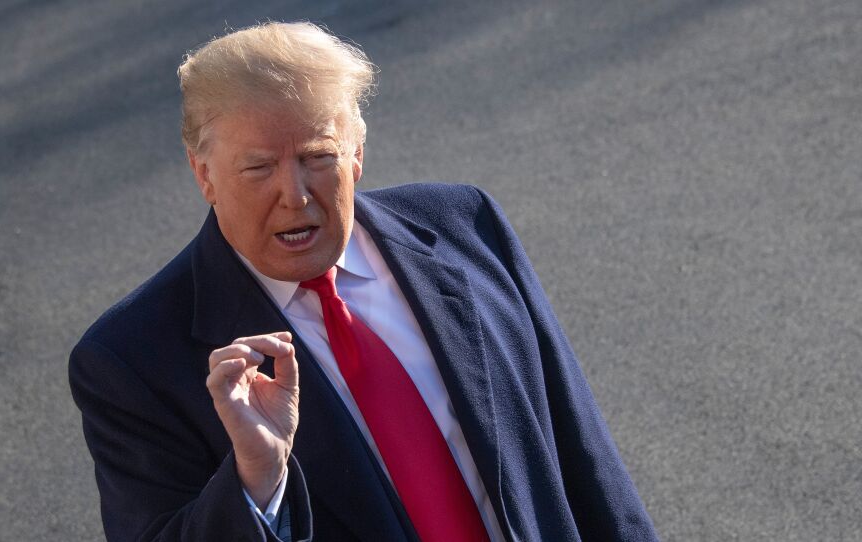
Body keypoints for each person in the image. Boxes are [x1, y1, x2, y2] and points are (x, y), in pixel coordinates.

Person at [69, 21, 659, 542]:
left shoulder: (463, 226)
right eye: (258, 168)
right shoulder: (132, 360)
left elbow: (580, 452)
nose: (295, 194)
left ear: (356, 152)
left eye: (318, 156)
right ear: (204, 174)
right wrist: (256, 485)